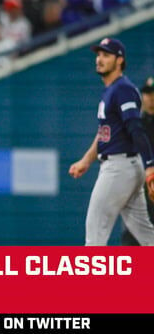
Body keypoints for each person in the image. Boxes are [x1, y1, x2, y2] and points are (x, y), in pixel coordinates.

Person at [69, 38, 154, 246]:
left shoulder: (123, 89)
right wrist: (86, 161)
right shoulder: (112, 90)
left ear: (119, 60)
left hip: (119, 168)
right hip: (126, 166)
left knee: (95, 234)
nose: (99, 59)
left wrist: (151, 166)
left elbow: (136, 128)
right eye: (98, 55)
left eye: (106, 55)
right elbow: (104, 134)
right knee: (146, 236)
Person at [121, 77, 154, 245]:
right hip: (139, 182)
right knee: (134, 230)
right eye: (147, 94)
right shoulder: (136, 124)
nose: (150, 98)